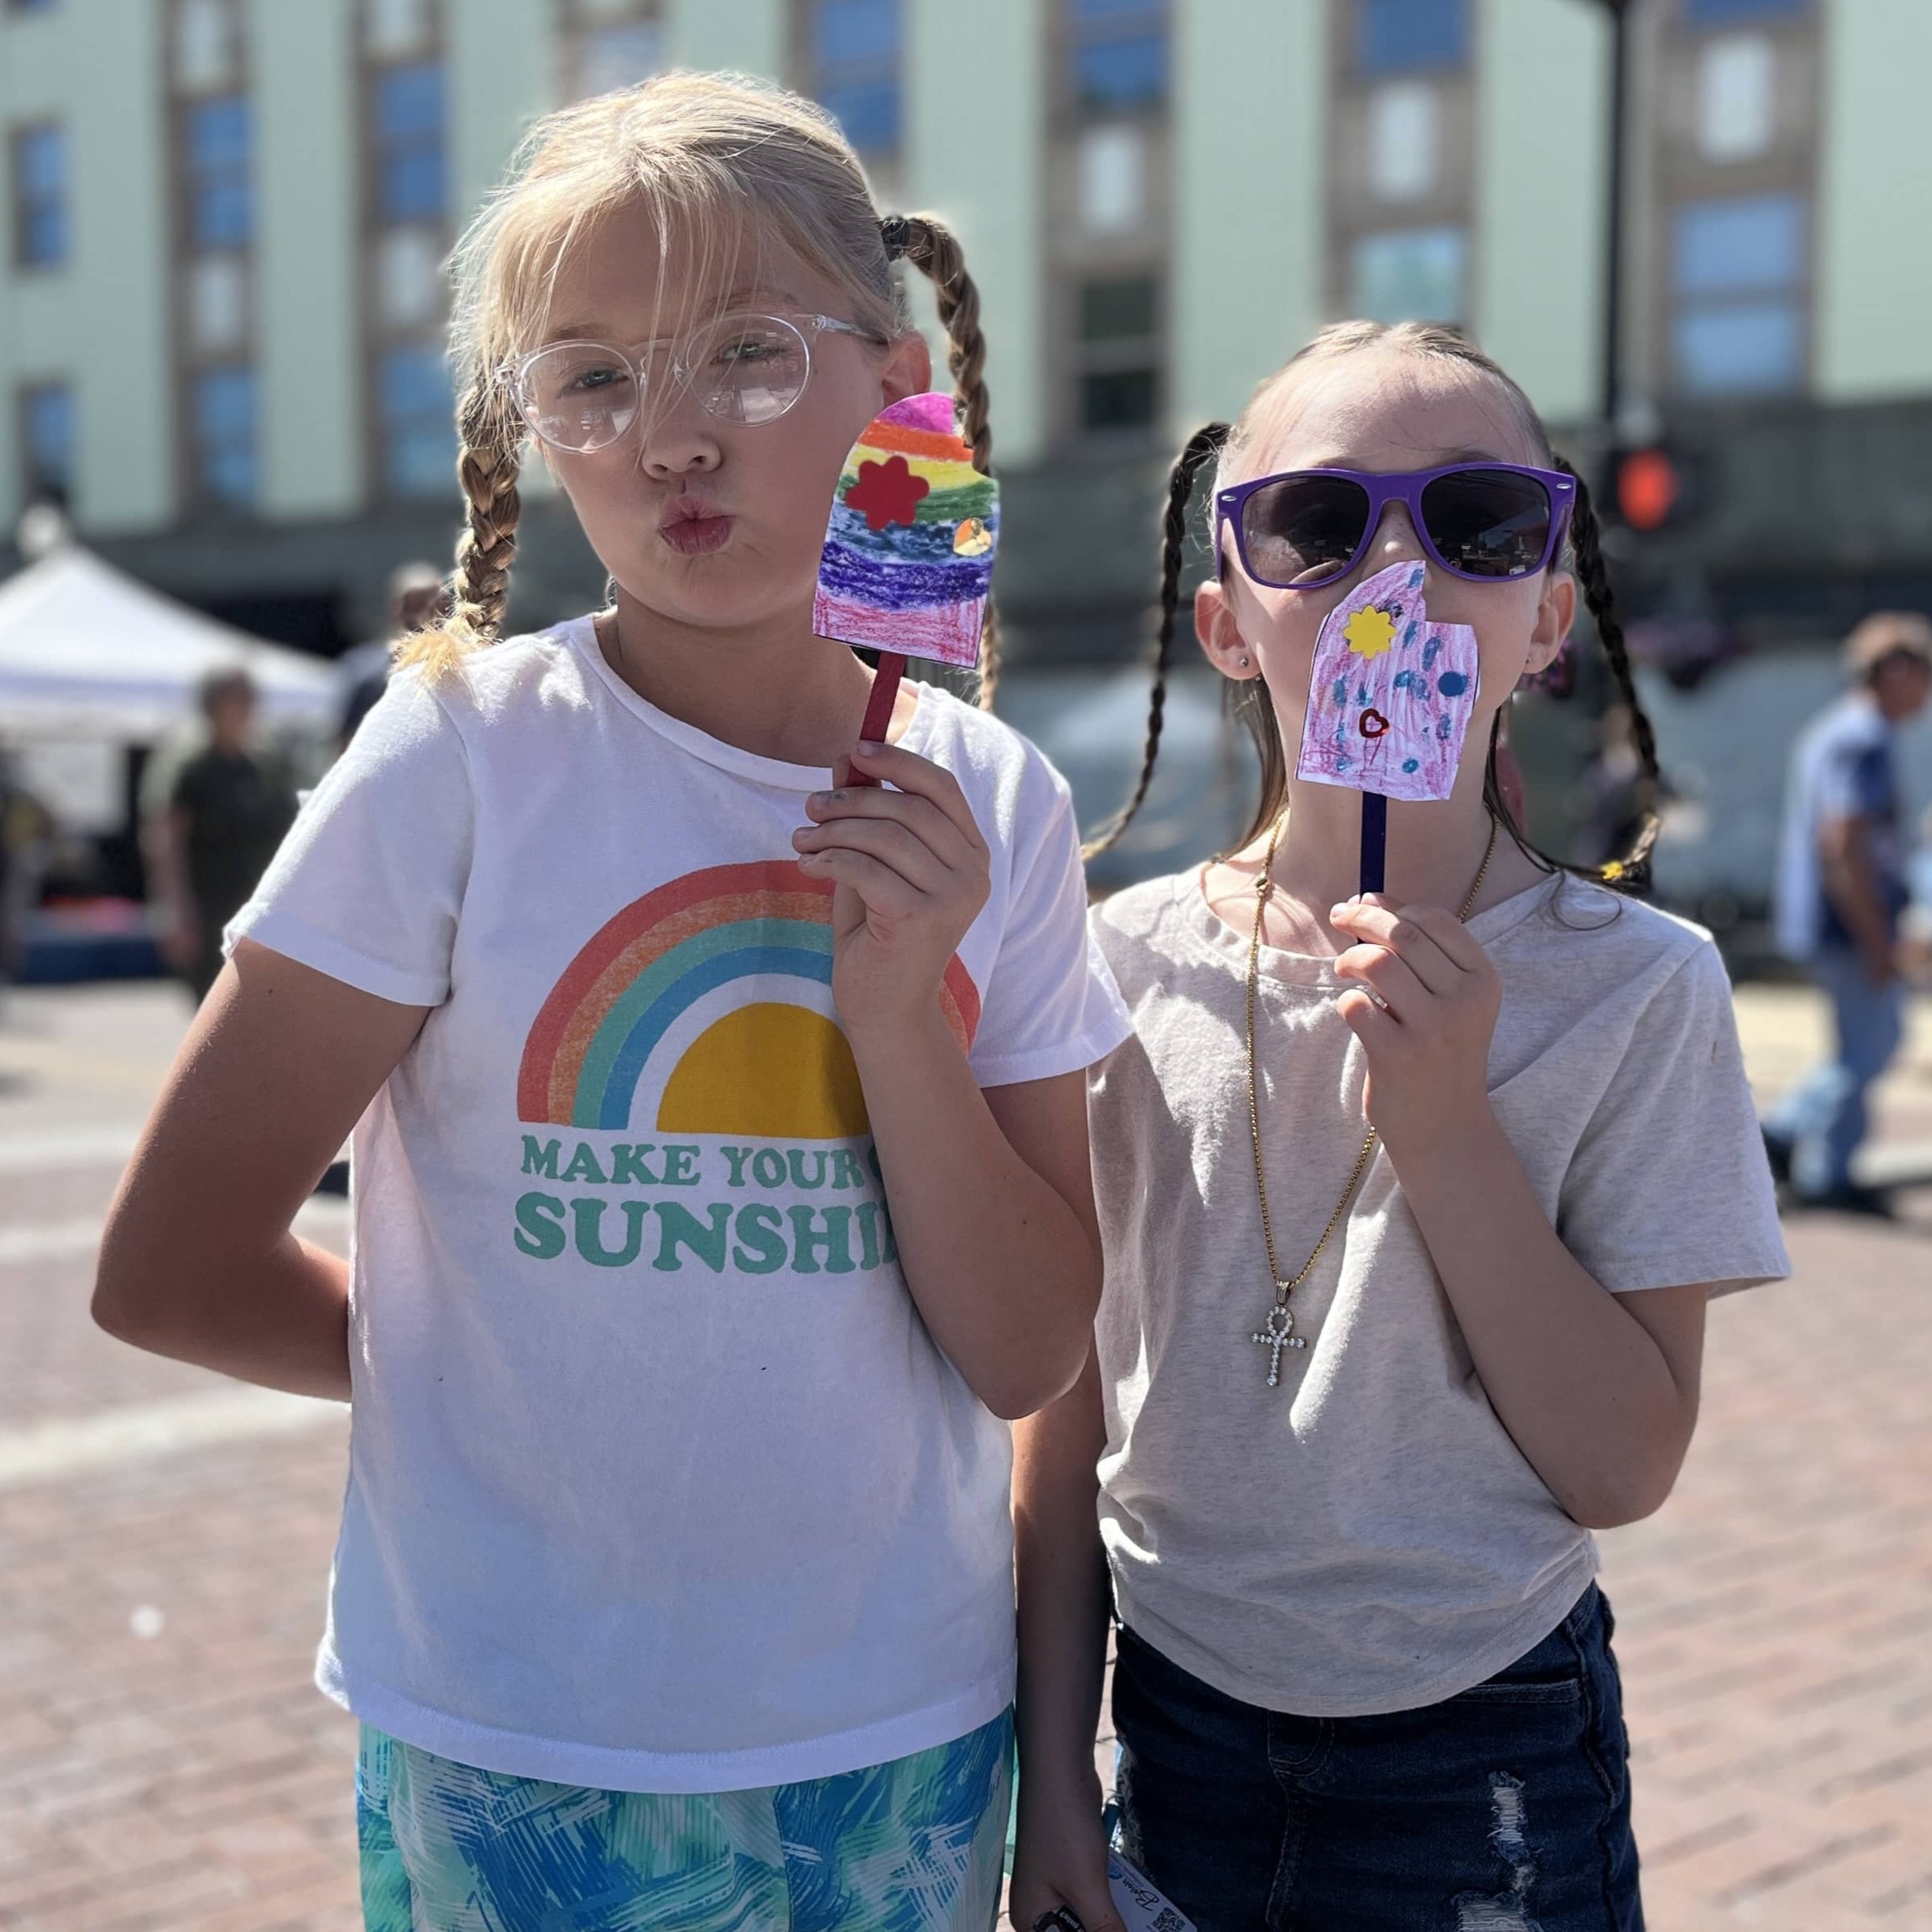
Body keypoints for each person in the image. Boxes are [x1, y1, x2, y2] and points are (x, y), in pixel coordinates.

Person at [93, 73, 1129, 1932]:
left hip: (899, 1734)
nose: (668, 440)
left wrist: (902, 1013)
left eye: (743, 357)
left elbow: (1033, 1350)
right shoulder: (458, 764)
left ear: (896, 381)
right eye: (590, 378)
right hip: (524, 1745)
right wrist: (513, 1373)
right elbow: (166, 1265)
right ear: (530, 432)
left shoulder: (1000, 806)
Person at [1011, 322, 1789, 1932]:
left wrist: (1447, 1135)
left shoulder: (1641, 989)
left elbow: (1622, 1462)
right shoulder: (1114, 963)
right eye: (1318, 522)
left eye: (1477, 522)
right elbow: (1061, 1425)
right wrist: (1050, 1779)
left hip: (1486, 1739)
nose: (1395, 571)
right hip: (1175, 1719)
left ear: (1548, 617)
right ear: (1228, 623)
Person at [1764, 612, 1932, 1214]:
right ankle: (1797, 1150)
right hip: (1849, 923)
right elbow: (1843, 844)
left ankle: (1806, 1154)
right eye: (1924, 672)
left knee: (1866, 1043)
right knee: (1870, 1046)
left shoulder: (1839, 732)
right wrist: (1875, 937)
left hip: (1836, 919)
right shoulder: (1862, 738)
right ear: (1895, 670)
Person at [142, 667, 298, 1005]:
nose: (246, 708)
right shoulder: (190, 766)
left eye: (249, 699)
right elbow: (165, 842)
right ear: (212, 705)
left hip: (255, 910)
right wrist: (175, 911)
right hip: (208, 908)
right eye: (236, 699)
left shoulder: (262, 766)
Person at [336, 562, 451, 751]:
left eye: (433, 602)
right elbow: (346, 744)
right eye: (415, 603)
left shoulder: (466, 666)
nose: (425, 613)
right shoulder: (367, 674)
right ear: (397, 608)